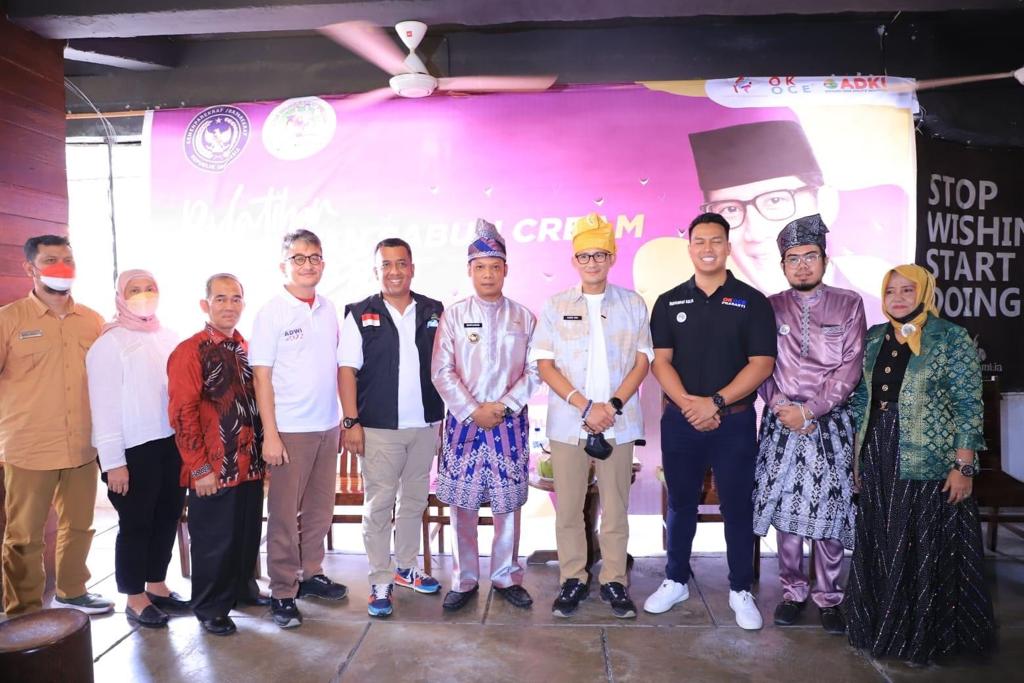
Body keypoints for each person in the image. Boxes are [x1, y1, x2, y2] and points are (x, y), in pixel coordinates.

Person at [844, 264, 996, 665]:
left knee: (920, 543)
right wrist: (858, 455)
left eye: (907, 290)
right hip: (879, 449)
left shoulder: (950, 337)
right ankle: (882, 628)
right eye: (890, 291)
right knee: (883, 537)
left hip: (929, 456)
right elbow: (863, 399)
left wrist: (963, 466)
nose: (897, 298)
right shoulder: (875, 336)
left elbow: (969, 405)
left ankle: (922, 637)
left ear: (925, 293)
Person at [645, 212, 776, 630]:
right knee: (681, 503)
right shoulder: (669, 301)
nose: (707, 248)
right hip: (681, 421)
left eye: (716, 241)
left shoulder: (752, 301)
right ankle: (675, 579)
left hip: (734, 423)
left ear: (728, 247)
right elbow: (660, 361)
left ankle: (740, 589)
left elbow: (762, 363)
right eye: (699, 241)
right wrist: (690, 405)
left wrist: (715, 403)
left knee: (737, 505)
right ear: (689, 248)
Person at [530, 212, 652, 619]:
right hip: (569, 423)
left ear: (612, 257)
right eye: (585, 255)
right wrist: (585, 406)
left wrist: (611, 406)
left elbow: (642, 362)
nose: (593, 262)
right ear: (574, 260)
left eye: (600, 254)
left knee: (615, 509)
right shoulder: (556, 305)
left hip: (619, 422)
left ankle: (615, 580)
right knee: (569, 509)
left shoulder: (632, 303)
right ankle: (573, 579)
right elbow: (545, 365)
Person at [751, 215, 866, 634]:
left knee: (829, 512)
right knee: (787, 512)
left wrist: (811, 411)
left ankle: (829, 596)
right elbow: (759, 364)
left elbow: (851, 366)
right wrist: (782, 406)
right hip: (781, 422)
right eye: (793, 259)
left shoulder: (848, 303)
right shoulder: (769, 306)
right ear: (782, 265)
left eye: (810, 257)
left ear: (824, 259)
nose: (802, 266)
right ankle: (792, 592)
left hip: (829, 424)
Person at [430, 219, 540, 612]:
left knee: (507, 507)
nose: (488, 274)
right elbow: (441, 371)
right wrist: (473, 409)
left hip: (509, 425)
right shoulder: (454, 316)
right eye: (480, 267)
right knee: (462, 507)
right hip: (464, 425)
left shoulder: (523, 317)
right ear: (470, 271)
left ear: (506, 270)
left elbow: (536, 369)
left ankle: (506, 576)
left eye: (495, 266)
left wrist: (504, 406)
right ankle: (464, 579)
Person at [0, 235, 113, 616]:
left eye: (68, 259)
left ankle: (72, 591)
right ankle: (23, 612)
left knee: (80, 525)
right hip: (29, 449)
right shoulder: (9, 320)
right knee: (24, 537)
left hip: (81, 446)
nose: (62, 267)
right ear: (30, 268)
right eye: (51, 260)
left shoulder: (93, 321)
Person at [340, 237, 444, 618]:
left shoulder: (434, 310)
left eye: (401, 263)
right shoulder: (359, 314)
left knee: (414, 501)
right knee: (380, 505)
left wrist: (442, 422)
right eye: (386, 264)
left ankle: (405, 567)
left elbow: (446, 366)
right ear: (376, 271)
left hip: (425, 425)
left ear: (412, 268)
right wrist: (351, 421)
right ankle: (380, 578)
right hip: (378, 428)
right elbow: (346, 371)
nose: (394, 271)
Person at [250, 230, 347, 630]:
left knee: (320, 510)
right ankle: (282, 591)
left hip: (327, 425)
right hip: (290, 430)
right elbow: (261, 377)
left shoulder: (328, 308)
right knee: (285, 517)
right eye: (299, 258)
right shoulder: (272, 312)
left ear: (323, 263)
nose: (308, 264)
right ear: (283, 265)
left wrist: (341, 421)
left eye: (314, 257)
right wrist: (270, 434)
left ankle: (311, 573)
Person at [168, 274, 268, 636]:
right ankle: (210, 606)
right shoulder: (190, 350)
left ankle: (242, 590)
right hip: (213, 466)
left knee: (245, 535)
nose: (229, 306)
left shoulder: (248, 347)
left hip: (250, 464)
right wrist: (199, 468)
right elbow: (182, 414)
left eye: (235, 298)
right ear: (205, 304)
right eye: (221, 298)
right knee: (214, 541)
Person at [86, 269, 185, 627]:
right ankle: (134, 596)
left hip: (170, 443)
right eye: (135, 290)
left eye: (149, 288)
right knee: (136, 522)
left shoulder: (169, 336)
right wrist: (113, 462)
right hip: (131, 450)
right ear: (120, 296)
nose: (144, 295)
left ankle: (157, 584)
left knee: (167, 516)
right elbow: (103, 408)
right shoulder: (108, 344)